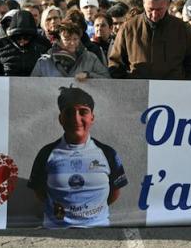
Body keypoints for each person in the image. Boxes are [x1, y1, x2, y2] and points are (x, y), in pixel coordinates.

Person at [27, 86, 127, 228]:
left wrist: (89, 214)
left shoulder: (108, 153)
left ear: (92, 117)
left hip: (98, 231)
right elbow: (39, 192)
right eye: (69, 112)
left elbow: (115, 193)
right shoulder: (46, 153)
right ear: (60, 118)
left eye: (83, 112)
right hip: (56, 233)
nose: (76, 118)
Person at [109, 0, 191, 80]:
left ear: (167, 4)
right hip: (139, 89)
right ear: (144, 2)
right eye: (150, 9)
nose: (154, 14)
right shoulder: (128, 28)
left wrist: (184, 85)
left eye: (159, 10)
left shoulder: (181, 28)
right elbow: (115, 63)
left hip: (173, 89)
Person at [31, 21, 110, 80]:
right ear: (58, 41)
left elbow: (107, 79)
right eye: (67, 39)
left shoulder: (90, 58)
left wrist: (89, 75)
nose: (72, 43)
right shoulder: (45, 61)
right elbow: (32, 84)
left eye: (75, 39)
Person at [0, 10, 50, 77]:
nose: (22, 42)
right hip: (6, 85)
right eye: (18, 38)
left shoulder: (43, 44)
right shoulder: (0, 45)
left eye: (26, 38)